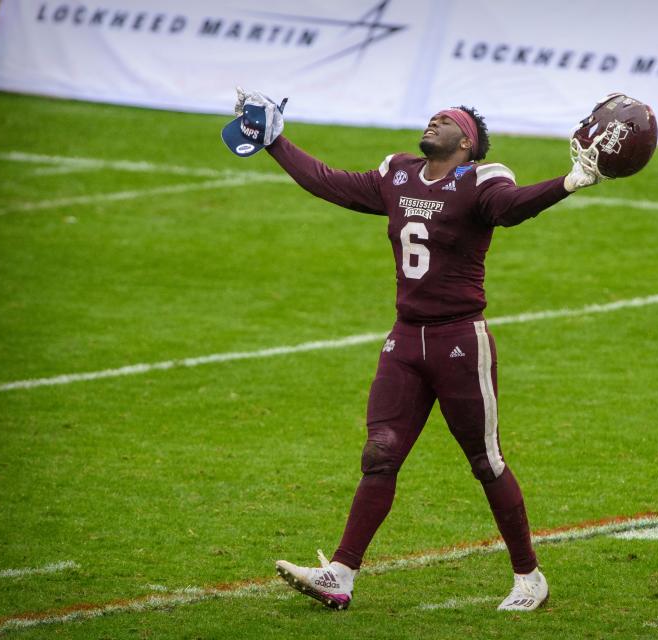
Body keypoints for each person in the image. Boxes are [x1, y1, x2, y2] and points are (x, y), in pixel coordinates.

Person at [223, 90, 602, 612]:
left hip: (459, 341)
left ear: (466, 142)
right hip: (405, 339)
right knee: (380, 455)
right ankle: (340, 573)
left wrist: (565, 185)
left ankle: (529, 576)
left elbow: (510, 210)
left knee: (485, 462)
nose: (434, 120)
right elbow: (329, 183)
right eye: (434, 115)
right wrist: (274, 142)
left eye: (447, 120)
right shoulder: (398, 174)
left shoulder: (480, 181)